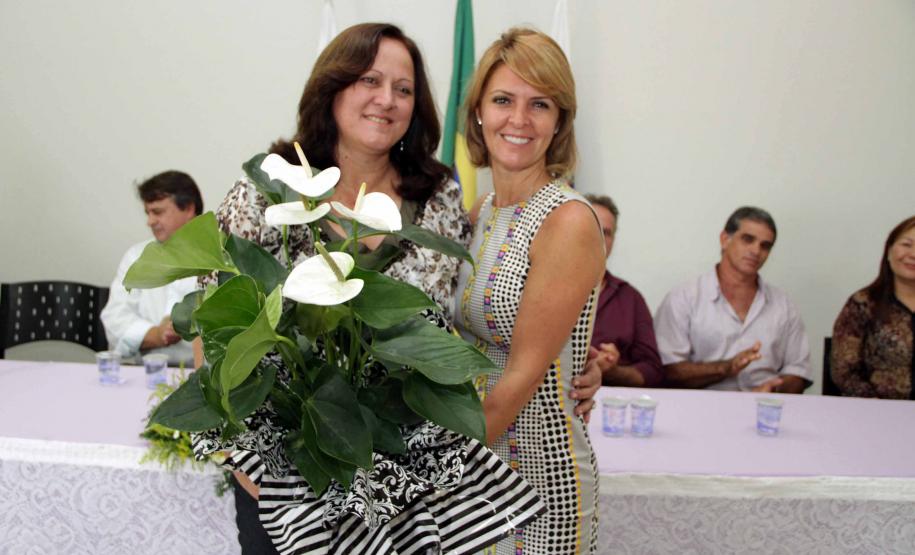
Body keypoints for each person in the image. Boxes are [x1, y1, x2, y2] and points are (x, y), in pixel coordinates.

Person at [189, 23, 600, 555]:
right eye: (369, 80)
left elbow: (460, 332)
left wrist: (575, 362)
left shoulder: (438, 199)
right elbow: (212, 328)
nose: (386, 99)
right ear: (332, 88)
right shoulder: (270, 189)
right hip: (284, 479)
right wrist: (250, 467)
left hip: (408, 488)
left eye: (403, 89)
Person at [455, 28, 604, 553]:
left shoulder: (568, 220)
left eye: (539, 104)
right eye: (503, 100)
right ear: (478, 111)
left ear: (559, 120)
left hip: (539, 480)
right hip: (474, 468)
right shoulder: (479, 212)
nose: (518, 119)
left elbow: (522, 374)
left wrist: (430, 470)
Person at [654, 206, 812, 393]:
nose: (756, 251)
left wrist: (773, 391)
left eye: (765, 246)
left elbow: (798, 372)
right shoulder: (684, 298)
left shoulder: (783, 305)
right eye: (748, 239)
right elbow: (668, 372)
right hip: (700, 406)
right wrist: (726, 368)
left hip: (765, 405)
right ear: (724, 239)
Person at [100, 170, 202, 366]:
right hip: (145, 371)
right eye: (148, 213)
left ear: (189, 208)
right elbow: (114, 319)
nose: (150, 221)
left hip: (201, 374)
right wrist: (157, 334)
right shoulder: (136, 257)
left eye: (158, 212)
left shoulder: (220, 257)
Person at [831, 215, 915, 399]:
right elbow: (843, 371)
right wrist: (878, 406)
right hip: (876, 409)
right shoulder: (863, 304)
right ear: (889, 251)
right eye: (906, 244)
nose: (913, 254)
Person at [585, 194, 664, 387]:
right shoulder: (542, 289)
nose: (599, 239)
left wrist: (614, 370)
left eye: (606, 232)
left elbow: (653, 372)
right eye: (592, 229)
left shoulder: (630, 299)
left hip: (610, 399)